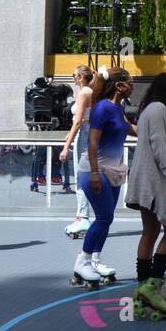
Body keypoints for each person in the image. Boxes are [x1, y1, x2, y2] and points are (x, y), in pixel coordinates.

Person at [125, 73, 166, 321]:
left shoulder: (149, 109)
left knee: (149, 233)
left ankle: (141, 291)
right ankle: (153, 285)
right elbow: (161, 147)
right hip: (156, 180)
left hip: (142, 177)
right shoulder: (160, 108)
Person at [74, 68, 137, 288]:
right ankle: (81, 262)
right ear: (119, 86)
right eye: (130, 81)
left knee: (107, 218)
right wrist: (93, 173)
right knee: (102, 218)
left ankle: (95, 261)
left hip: (113, 171)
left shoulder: (118, 108)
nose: (133, 85)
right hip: (96, 170)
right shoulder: (101, 108)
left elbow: (129, 128)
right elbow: (92, 143)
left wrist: (155, 129)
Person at [60, 66, 96, 240]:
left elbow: (78, 121)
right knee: (84, 178)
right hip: (86, 134)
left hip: (84, 136)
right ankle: (81, 215)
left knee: (81, 179)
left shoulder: (84, 93)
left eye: (73, 75)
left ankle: (83, 217)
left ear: (81, 77)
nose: (72, 78)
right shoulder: (90, 90)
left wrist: (66, 146)